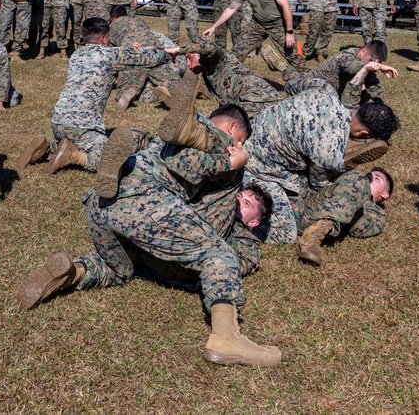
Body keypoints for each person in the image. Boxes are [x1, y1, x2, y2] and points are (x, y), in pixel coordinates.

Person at [15, 102, 282, 368]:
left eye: (246, 205)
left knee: (120, 268)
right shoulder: (212, 194)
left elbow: (239, 260)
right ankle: (226, 338)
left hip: (110, 210)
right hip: (150, 218)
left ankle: (73, 272)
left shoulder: (245, 237)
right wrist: (234, 161)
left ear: (255, 221)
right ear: (232, 128)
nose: (238, 203)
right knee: (218, 251)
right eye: (238, 141)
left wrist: (233, 165)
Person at [244, 79, 399, 244]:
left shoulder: (325, 89)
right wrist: (338, 180)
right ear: (363, 133)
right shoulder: (327, 149)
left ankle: (334, 205)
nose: (369, 176)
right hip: (256, 167)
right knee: (286, 234)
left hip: (246, 135)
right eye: (373, 176)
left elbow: (291, 85)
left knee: (353, 180)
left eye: (376, 179)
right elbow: (318, 184)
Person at [17, 17, 175, 173]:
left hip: (58, 122)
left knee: (80, 140)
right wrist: (168, 53)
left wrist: (131, 51)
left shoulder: (76, 55)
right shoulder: (111, 55)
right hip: (83, 127)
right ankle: (73, 156)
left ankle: (49, 148)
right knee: (110, 159)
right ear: (103, 38)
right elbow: (150, 59)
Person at [202, 0, 307, 74]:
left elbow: (287, 7)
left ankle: (310, 78)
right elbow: (231, 9)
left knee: (291, 54)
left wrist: (289, 32)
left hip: (277, 23)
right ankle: (226, 76)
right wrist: (214, 27)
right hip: (257, 23)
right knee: (238, 51)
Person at [293, 168, 393, 266]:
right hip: (294, 200)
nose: (370, 177)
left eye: (377, 179)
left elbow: (360, 229)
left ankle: (312, 237)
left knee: (358, 177)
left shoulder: (377, 213)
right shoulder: (344, 182)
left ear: (385, 194)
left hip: (310, 217)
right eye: (369, 175)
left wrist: (355, 205)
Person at [181, 38, 286, 119]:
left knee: (218, 127)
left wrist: (180, 49)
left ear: (202, 55)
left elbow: (211, 48)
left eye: (190, 58)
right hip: (250, 105)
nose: (188, 64)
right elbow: (224, 99)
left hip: (263, 103)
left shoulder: (218, 62)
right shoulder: (207, 71)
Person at [285, 40, 396, 108]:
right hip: (311, 85)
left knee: (367, 99)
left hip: (332, 91)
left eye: (378, 63)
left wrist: (382, 107)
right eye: (372, 60)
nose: (374, 65)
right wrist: (379, 67)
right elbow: (351, 68)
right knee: (294, 78)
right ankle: (284, 68)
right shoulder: (347, 55)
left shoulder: (366, 65)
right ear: (362, 52)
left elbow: (375, 87)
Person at [109, 4, 182, 107]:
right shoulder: (139, 21)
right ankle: (169, 87)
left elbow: (111, 53)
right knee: (160, 69)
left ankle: (126, 92)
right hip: (156, 50)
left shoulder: (112, 26)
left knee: (135, 71)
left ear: (113, 18)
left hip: (136, 51)